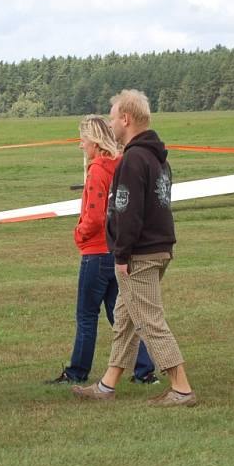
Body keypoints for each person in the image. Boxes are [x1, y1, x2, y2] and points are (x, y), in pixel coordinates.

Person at [73, 89, 197, 407]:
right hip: (159, 247)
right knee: (125, 318)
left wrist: (122, 253)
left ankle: (181, 387)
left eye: (113, 117)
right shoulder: (158, 159)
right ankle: (107, 384)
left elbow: (128, 212)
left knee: (149, 320)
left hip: (139, 252)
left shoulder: (132, 160)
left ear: (126, 119)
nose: (111, 123)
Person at [46, 115, 158, 385]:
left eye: (83, 139)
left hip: (95, 252)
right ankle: (145, 370)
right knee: (119, 314)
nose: (80, 145)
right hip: (115, 249)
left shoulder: (97, 170)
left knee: (86, 315)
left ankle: (77, 372)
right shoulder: (120, 165)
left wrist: (79, 232)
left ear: (94, 142)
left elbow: (95, 216)